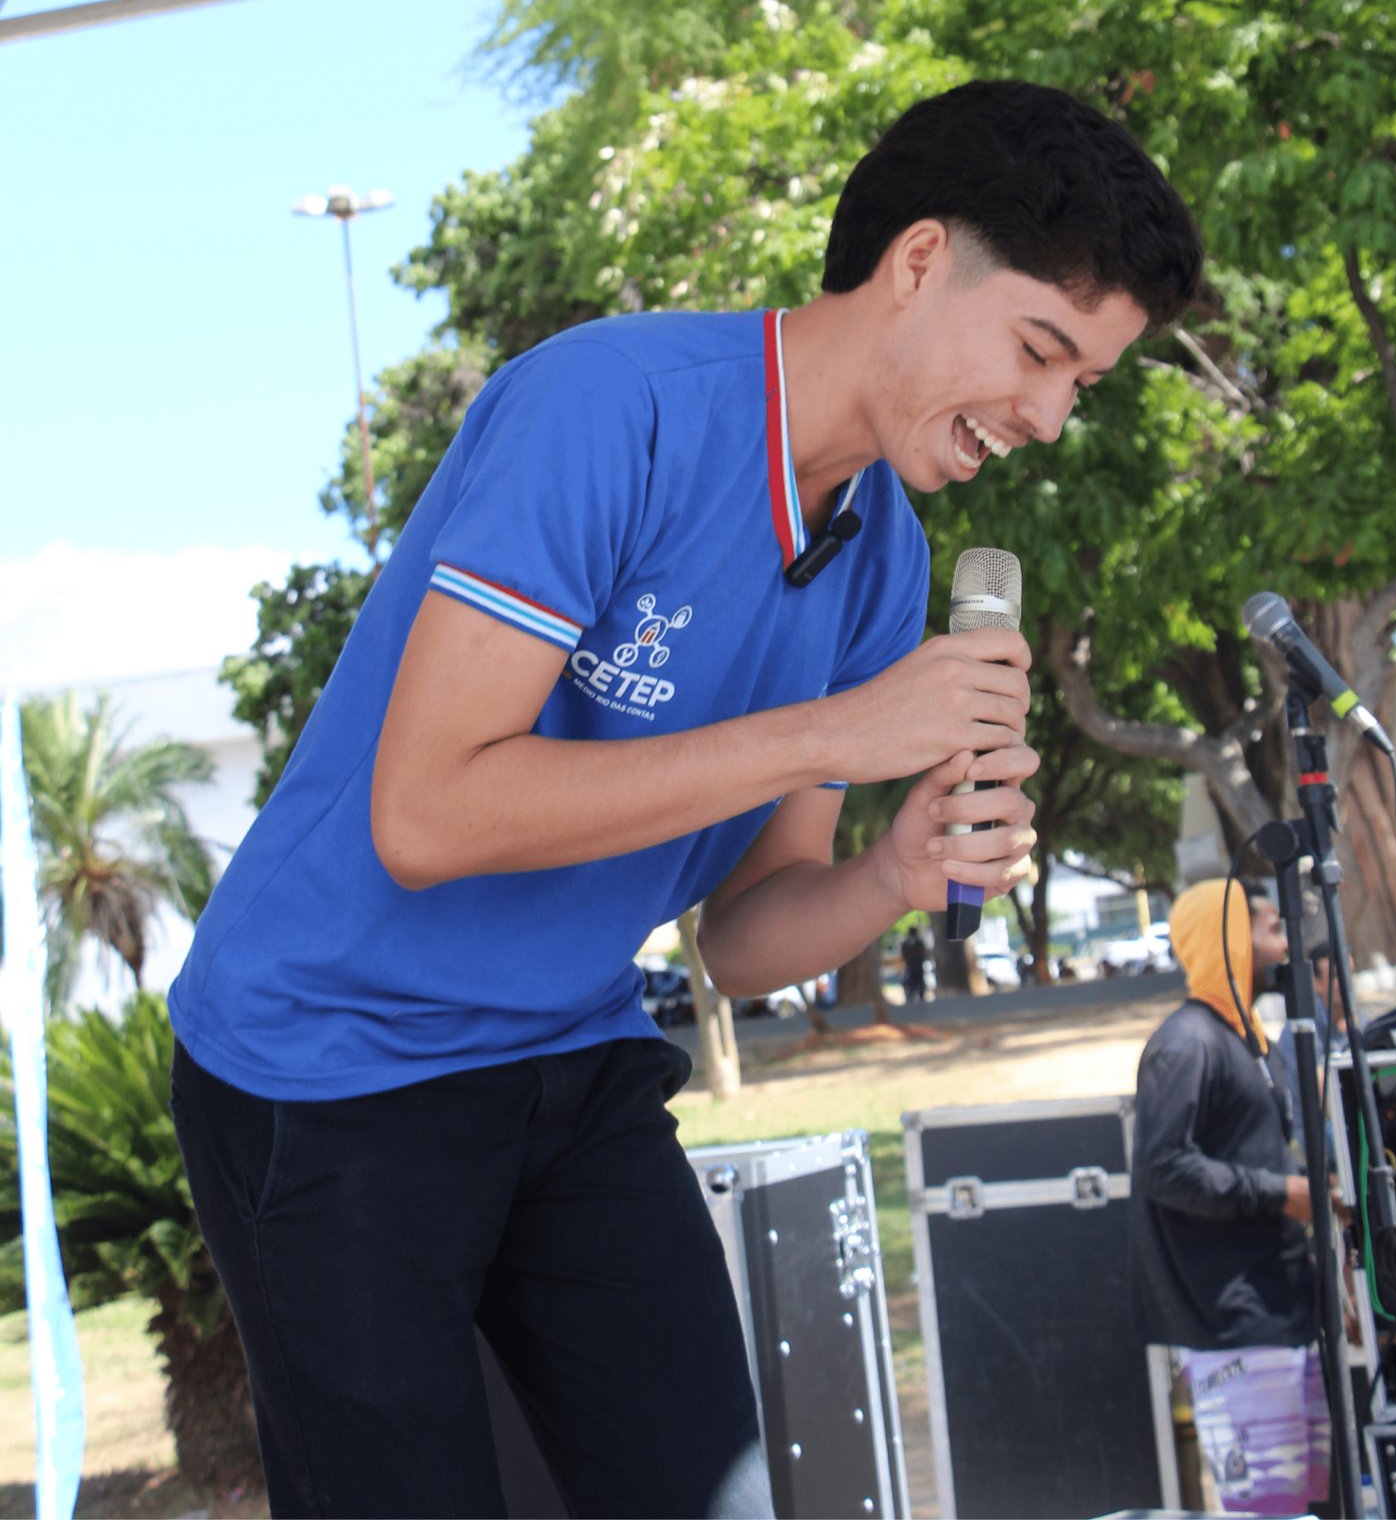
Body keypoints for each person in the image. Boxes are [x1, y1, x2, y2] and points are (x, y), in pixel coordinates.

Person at [166, 79, 1204, 1518]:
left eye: (1080, 384)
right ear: (916, 262)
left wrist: (897, 871)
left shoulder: (883, 556)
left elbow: (743, 934)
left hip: (568, 1056)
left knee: (714, 1498)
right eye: (1040, 350)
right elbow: (428, 817)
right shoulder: (607, 409)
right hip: (327, 1063)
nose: (1046, 417)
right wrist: (828, 727)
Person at [1130, 879, 1332, 1517]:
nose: (1280, 923)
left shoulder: (1250, 1039)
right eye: (1263, 917)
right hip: (1232, 1321)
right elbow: (1165, 1167)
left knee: (1312, 1502)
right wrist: (1284, 1194)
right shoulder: (1186, 1043)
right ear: (1226, 935)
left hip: (1284, 1305)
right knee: (1269, 1508)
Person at [1266, 939, 1350, 1173]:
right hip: (1312, 1134)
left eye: (1349, 972)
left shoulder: (1361, 1023)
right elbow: (1328, 1102)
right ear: (1316, 983)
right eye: (1334, 975)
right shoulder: (1303, 1029)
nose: (1344, 982)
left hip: (1347, 1123)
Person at [901, 925, 930, 1003]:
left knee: (918, 984)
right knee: (910, 983)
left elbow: (923, 954)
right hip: (912, 966)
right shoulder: (907, 944)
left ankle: (919, 996)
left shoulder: (918, 943)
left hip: (916, 967)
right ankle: (911, 996)